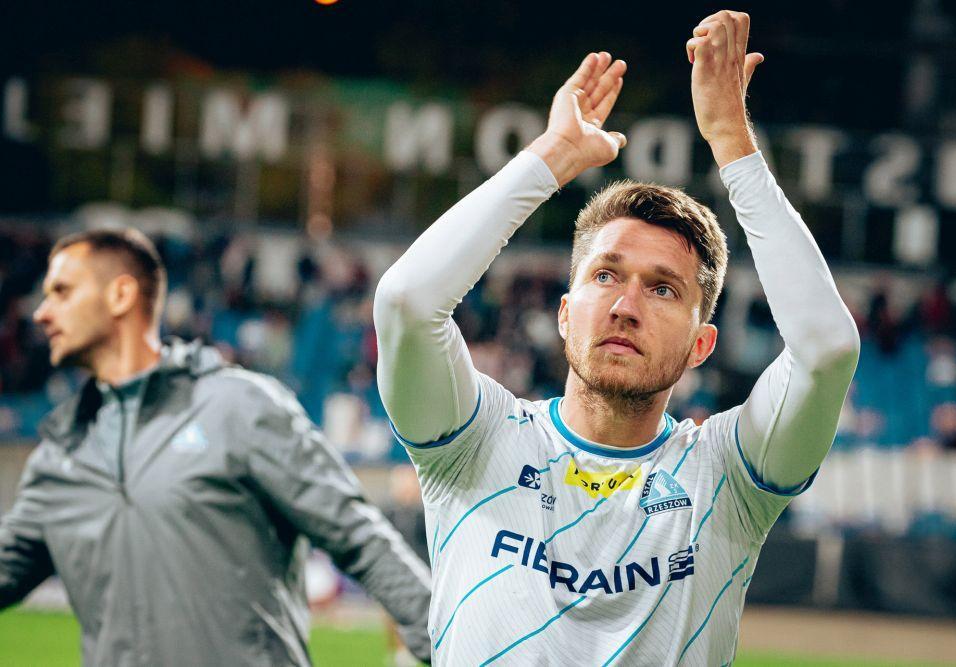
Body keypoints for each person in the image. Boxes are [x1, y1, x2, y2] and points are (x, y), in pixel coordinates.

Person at [374, 11, 859, 666]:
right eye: (606, 275)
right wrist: (552, 157)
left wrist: (733, 145)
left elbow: (828, 348)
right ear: (564, 313)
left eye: (663, 289)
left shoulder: (727, 478)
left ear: (701, 345)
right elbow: (406, 303)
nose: (626, 306)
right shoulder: (475, 443)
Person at [0, 228, 432, 665]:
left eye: (62, 292)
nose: (42, 313)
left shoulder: (237, 408)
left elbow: (360, 539)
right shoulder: (59, 458)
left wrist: (450, 645)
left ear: (120, 295)